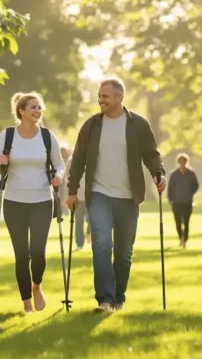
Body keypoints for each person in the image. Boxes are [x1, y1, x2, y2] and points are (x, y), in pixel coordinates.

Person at [65, 77, 166, 313]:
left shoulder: (138, 124)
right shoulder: (91, 126)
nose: (100, 100)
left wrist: (158, 173)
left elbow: (151, 154)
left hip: (129, 197)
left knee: (124, 252)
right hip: (99, 194)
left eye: (105, 97)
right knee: (101, 244)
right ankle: (105, 299)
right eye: (99, 96)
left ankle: (118, 297)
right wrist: (71, 191)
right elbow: (78, 160)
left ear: (119, 98)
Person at [0, 92, 65, 314]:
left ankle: (36, 286)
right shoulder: (7, 136)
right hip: (14, 202)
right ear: (21, 111)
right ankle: (26, 303)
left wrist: (59, 176)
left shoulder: (47, 136)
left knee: (38, 252)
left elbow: (59, 164)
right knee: (21, 254)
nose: (37, 111)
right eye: (33, 107)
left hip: (42, 200)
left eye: (39, 107)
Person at [167, 152, 199, 249]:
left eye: (184, 161)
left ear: (186, 162)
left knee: (186, 222)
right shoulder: (174, 174)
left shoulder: (191, 173)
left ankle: (184, 240)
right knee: (177, 222)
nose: (182, 163)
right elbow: (170, 187)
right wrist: (170, 199)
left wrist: (190, 193)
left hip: (187, 201)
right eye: (180, 161)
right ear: (178, 162)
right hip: (176, 202)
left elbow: (196, 185)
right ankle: (180, 237)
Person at [64, 150, 89, 251]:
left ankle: (89, 232)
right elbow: (67, 178)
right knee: (78, 221)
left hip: (90, 195)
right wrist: (67, 195)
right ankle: (79, 243)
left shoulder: (92, 158)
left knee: (91, 219)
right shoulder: (71, 160)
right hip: (77, 195)